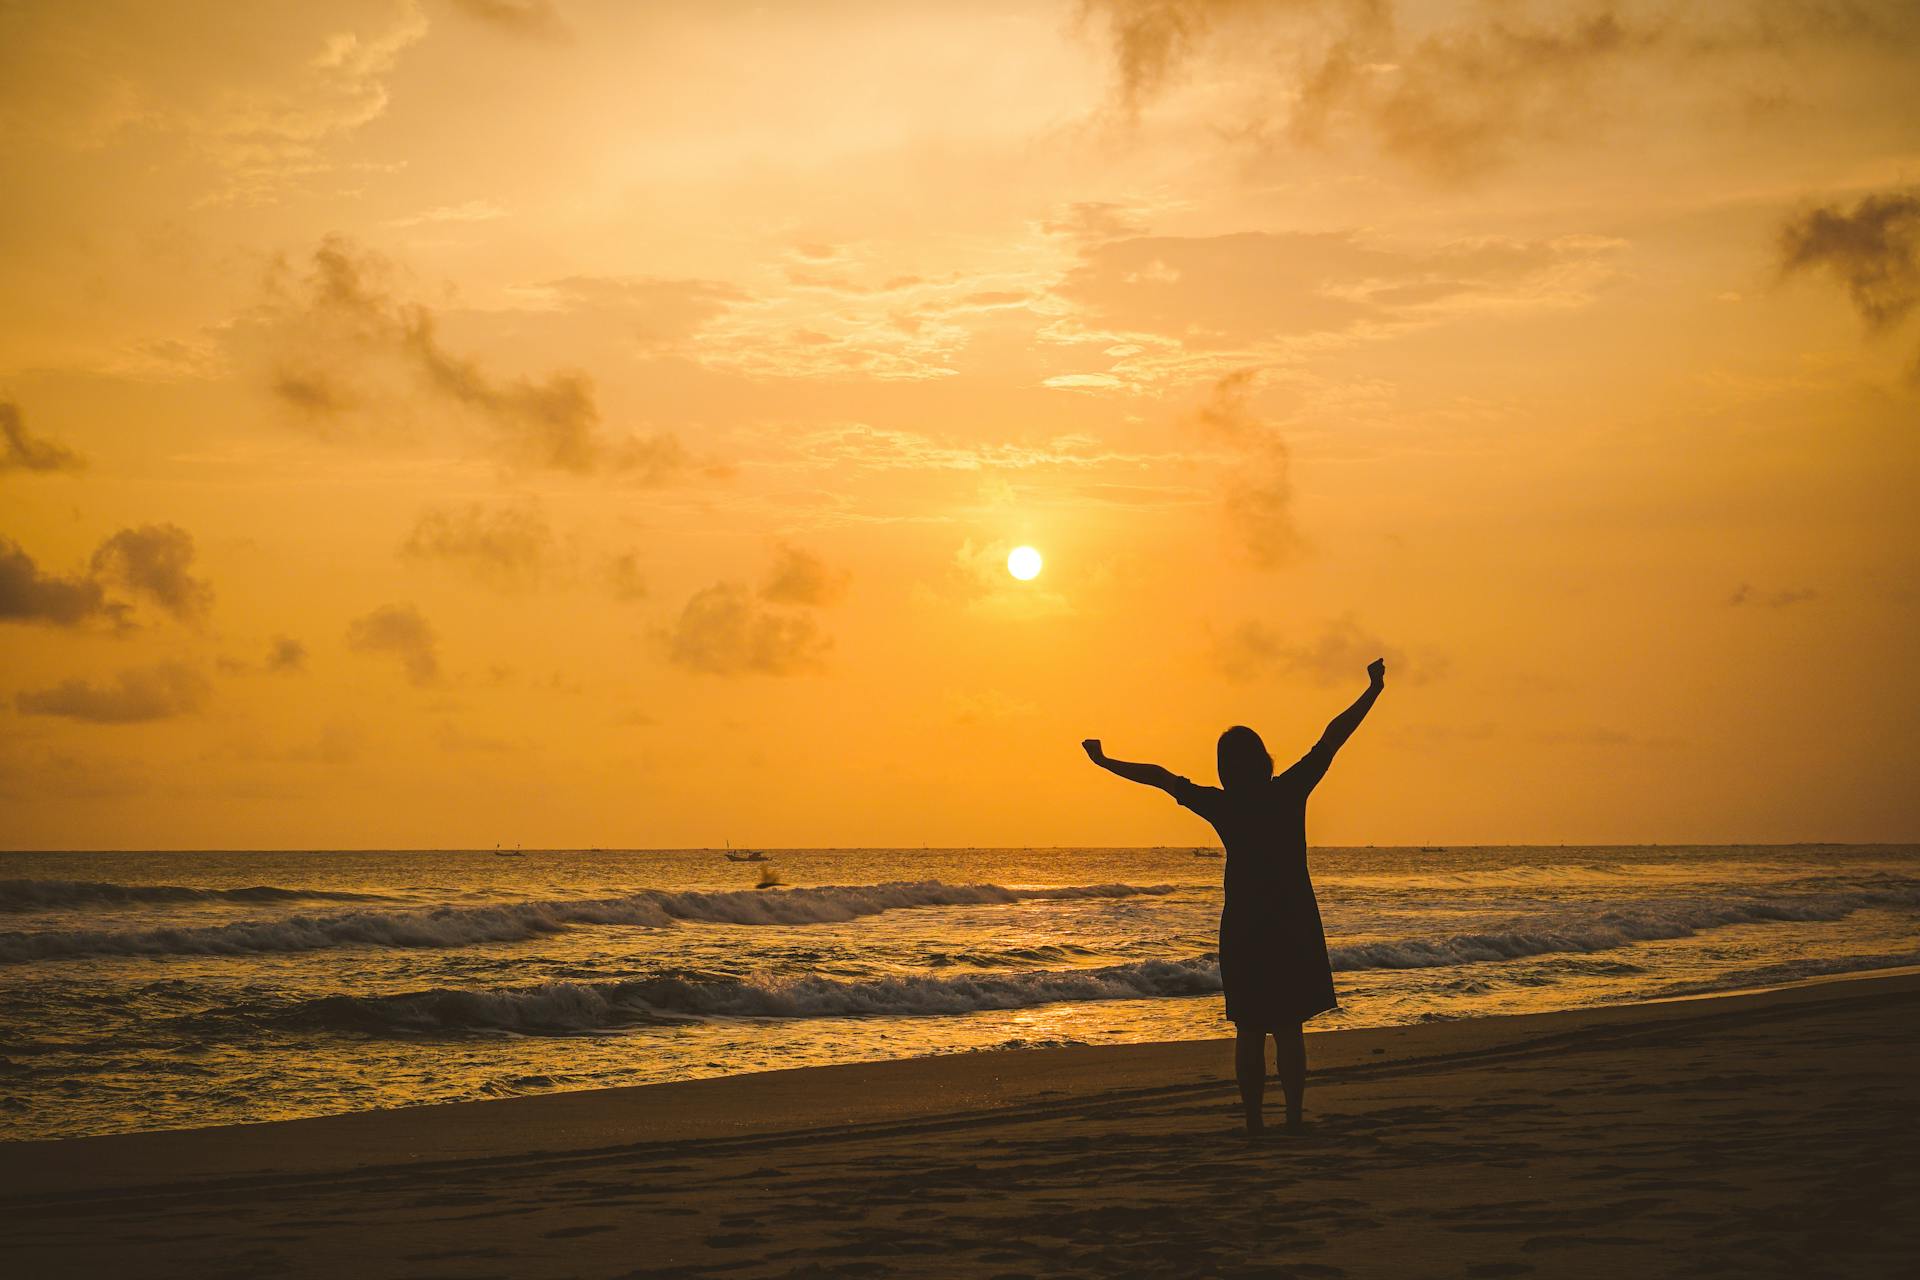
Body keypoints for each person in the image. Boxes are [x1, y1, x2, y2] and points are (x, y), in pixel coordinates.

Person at [1082, 658, 1385, 1135]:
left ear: (1225, 769)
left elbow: (1161, 776)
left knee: (1249, 1028)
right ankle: (1292, 1117)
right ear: (1264, 760)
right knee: (1288, 1028)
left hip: (1244, 927)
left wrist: (1105, 762)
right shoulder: (1289, 790)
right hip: (1291, 923)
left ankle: (1252, 1121)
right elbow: (1333, 736)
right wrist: (1373, 690)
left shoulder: (1223, 803)